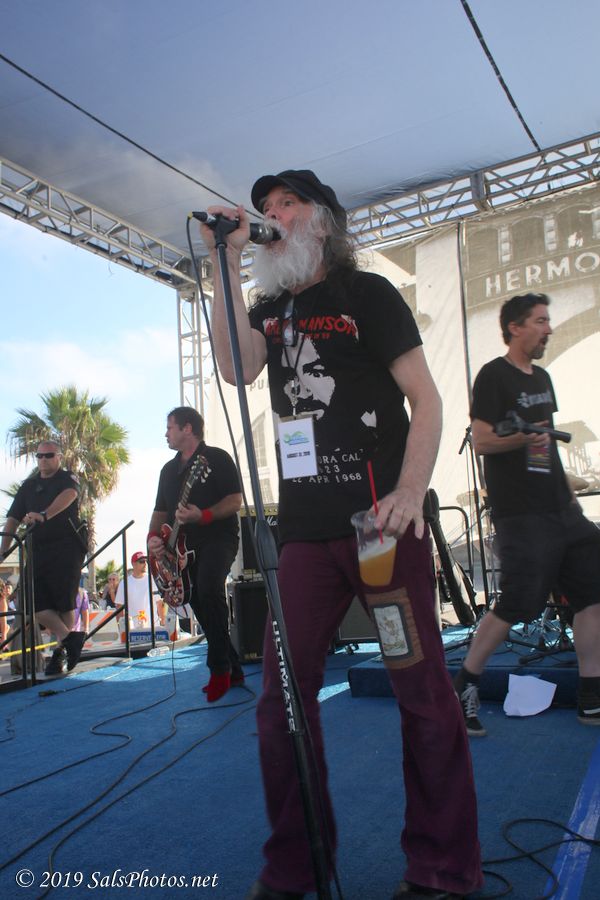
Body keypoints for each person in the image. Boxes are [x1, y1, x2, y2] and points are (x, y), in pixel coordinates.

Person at [202, 170, 483, 900]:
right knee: (280, 703)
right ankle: (294, 865)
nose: (272, 214)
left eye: (287, 204)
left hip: (377, 529)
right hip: (301, 537)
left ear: (322, 221)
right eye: (265, 207)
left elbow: (426, 400)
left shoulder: (368, 295)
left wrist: (411, 492)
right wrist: (224, 258)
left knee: (419, 689)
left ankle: (443, 869)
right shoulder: (267, 310)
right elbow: (235, 367)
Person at [454, 293, 600, 736]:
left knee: (593, 596)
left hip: (562, 511)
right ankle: (465, 687)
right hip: (521, 515)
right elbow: (482, 441)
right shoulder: (493, 376)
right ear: (515, 328)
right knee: (517, 603)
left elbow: (544, 446)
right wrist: (523, 437)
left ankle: (591, 698)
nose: (548, 329)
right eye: (540, 321)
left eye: (548, 320)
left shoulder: (543, 378)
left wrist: (567, 486)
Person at [147, 407, 244, 702]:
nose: (166, 434)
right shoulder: (167, 471)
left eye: (170, 427)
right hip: (180, 549)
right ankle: (233, 666)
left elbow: (235, 500)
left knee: (209, 588)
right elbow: (160, 511)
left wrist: (203, 515)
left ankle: (219, 669)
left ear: (187, 428)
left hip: (218, 538)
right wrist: (153, 539)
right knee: (198, 600)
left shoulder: (217, 458)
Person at [0, 440, 87, 675]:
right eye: (39, 456)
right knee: (29, 599)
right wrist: (3, 550)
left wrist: (44, 515)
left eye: (49, 455)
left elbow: (69, 495)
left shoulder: (67, 479)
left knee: (64, 602)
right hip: (38, 549)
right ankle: (69, 639)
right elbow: (13, 519)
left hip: (67, 547)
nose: (43, 460)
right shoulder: (29, 486)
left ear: (59, 457)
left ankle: (61, 654)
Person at [115, 551, 153, 628]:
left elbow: (159, 603)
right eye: (142, 561)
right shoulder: (124, 583)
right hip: (132, 627)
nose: (145, 564)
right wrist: (121, 627)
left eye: (146, 561)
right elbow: (119, 606)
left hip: (152, 626)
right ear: (133, 564)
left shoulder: (152, 580)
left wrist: (162, 621)